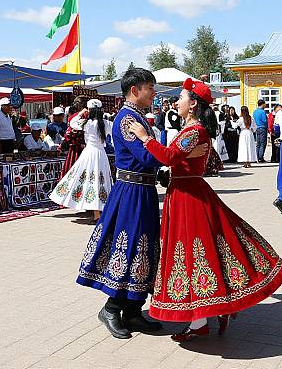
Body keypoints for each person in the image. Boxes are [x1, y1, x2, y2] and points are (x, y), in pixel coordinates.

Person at [129, 78, 282, 341]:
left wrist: (145, 137)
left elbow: (169, 157)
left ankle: (203, 317)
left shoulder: (195, 131)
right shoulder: (192, 131)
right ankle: (202, 318)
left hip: (189, 197)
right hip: (183, 193)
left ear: (192, 104)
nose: (176, 102)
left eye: (180, 98)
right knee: (197, 253)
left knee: (196, 252)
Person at [75, 68, 206, 340]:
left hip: (143, 190)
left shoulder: (137, 118)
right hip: (131, 192)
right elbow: (147, 158)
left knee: (146, 248)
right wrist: (164, 155)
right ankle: (111, 309)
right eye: (150, 87)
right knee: (131, 244)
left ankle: (134, 310)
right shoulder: (126, 119)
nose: (154, 92)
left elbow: (150, 158)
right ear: (135, 90)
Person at [50, 99, 113, 220]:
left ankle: (94, 213)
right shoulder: (106, 123)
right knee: (100, 181)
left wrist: (80, 113)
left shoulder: (86, 123)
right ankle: (98, 211)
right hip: (101, 154)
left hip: (89, 154)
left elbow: (72, 123)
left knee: (85, 180)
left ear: (89, 110)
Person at [60, 97, 87, 178]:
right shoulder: (85, 117)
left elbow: (68, 136)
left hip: (76, 150)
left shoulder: (73, 117)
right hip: (79, 149)